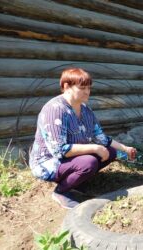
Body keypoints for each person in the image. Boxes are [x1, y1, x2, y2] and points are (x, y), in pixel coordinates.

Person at [29, 68, 136, 209]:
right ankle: (61, 192)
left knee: (110, 152)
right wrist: (94, 148)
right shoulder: (55, 109)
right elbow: (59, 150)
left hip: (69, 158)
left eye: (89, 88)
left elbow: (101, 138)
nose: (87, 92)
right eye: (82, 88)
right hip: (48, 162)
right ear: (67, 87)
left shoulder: (85, 110)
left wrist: (125, 149)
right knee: (89, 162)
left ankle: (77, 182)